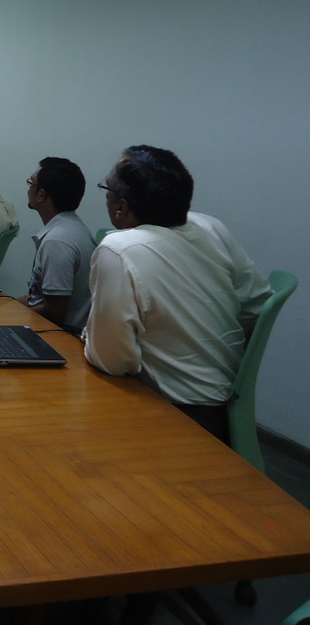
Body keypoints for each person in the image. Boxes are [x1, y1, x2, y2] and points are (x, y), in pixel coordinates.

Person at [84, 144, 271, 442]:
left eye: (106, 188)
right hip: (224, 408)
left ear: (121, 207)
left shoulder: (118, 250)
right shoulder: (210, 226)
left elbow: (112, 361)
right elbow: (256, 304)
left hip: (174, 417)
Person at [18, 157, 96, 334]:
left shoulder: (57, 241)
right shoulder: (74, 227)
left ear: (41, 194)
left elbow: (55, 312)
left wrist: (12, 315)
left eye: (31, 183)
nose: (28, 188)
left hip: (60, 335)